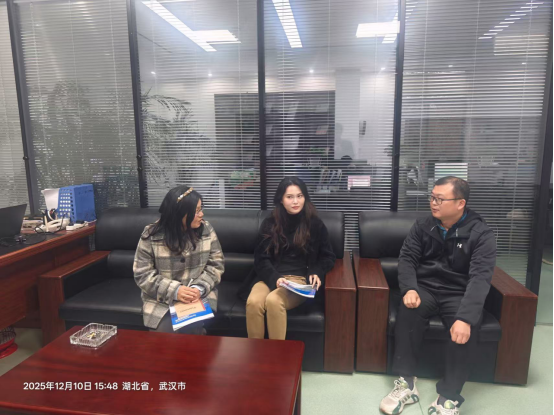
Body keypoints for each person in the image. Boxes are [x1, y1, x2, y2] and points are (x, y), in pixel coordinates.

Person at [379, 176, 496, 415]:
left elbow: (480, 278)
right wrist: (410, 288)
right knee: (408, 311)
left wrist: (465, 317)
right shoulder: (423, 225)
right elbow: (407, 258)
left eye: (440, 199)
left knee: (464, 330)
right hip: (426, 287)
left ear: (460, 203)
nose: (433, 203)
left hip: (458, 292)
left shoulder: (481, 234)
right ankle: (406, 383)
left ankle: (448, 397)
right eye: (432, 197)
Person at [240, 176, 336, 340]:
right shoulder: (270, 223)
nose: (295, 201)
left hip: (299, 281)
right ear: (281, 200)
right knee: (254, 302)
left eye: (299, 196)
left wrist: (317, 271)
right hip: (271, 277)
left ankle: (277, 355)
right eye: (289, 197)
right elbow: (261, 258)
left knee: (274, 301)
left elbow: (328, 256)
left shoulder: (315, 224)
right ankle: (256, 353)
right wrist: (275, 278)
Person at [133, 185, 224, 334]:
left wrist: (198, 288)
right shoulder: (152, 235)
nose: (201, 214)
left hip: (198, 295)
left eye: (201, 209)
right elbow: (142, 274)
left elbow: (216, 264)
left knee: (192, 329)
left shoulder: (206, 230)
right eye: (196, 211)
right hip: (161, 299)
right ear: (179, 213)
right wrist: (175, 291)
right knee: (163, 336)